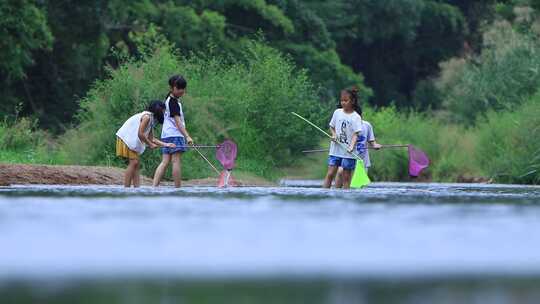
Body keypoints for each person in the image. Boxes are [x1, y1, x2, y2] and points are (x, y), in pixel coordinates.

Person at [116, 100, 175, 188]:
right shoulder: (146, 117)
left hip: (128, 139)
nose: (164, 113)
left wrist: (166, 145)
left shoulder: (151, 120)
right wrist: (150, 144)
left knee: (136, 163)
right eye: (163, 111)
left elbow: (152, 138)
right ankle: (126, 188)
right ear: (158, 110)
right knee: (134, 162)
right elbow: (140, 134)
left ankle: (137, 187)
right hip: (125, 138)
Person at [153, 75, 194, 187]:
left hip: (166, 135)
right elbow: (178, 122)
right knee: (176, 161)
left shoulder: (168, 100)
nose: (182, 90)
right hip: (175, 135)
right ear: (172, 88)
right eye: (179, 88)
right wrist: (187, 136)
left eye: (183, 88)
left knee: (165, 162)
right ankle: (178, 189)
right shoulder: (173, 102)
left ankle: (154, 187)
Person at [323, 87, 363, 189]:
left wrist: (351, 146)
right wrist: (334, 134)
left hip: (348, 152)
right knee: (330, 174)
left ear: (352, 101)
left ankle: (345, 196)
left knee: (346, 177)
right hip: (335, 150)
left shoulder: (356, 117)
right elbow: (332, 127)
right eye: (342, 101)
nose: (343, 103)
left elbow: (356, 134)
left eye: (346, 101)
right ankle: (324, 192)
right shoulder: (337, 112)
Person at [335, 119, 382, 188]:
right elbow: (339, 139)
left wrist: (375, 145)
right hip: (347, 157)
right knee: (340, 172)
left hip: (362, 161)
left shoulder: (367, 125)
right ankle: (336, 192)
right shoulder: (345, 124)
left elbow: (372, 141)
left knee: (359, 188)